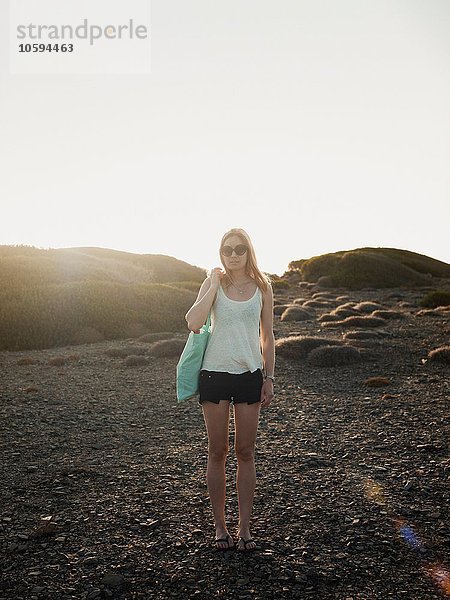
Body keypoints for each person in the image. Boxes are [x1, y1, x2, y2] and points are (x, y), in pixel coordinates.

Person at [185, 228, 275, 552]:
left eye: (239, 249)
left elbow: (268, 336)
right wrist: (211, 283)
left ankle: (245, 529)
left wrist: (269, 377)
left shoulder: (263, 287)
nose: (233, 254)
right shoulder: (214, 283)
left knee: (246, 452)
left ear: (249, 251)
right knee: (217, 452)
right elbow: (193, 321)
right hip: (215, 375)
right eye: (227, 249)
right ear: (220, 253)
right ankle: (220, 527)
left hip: (250, 375)